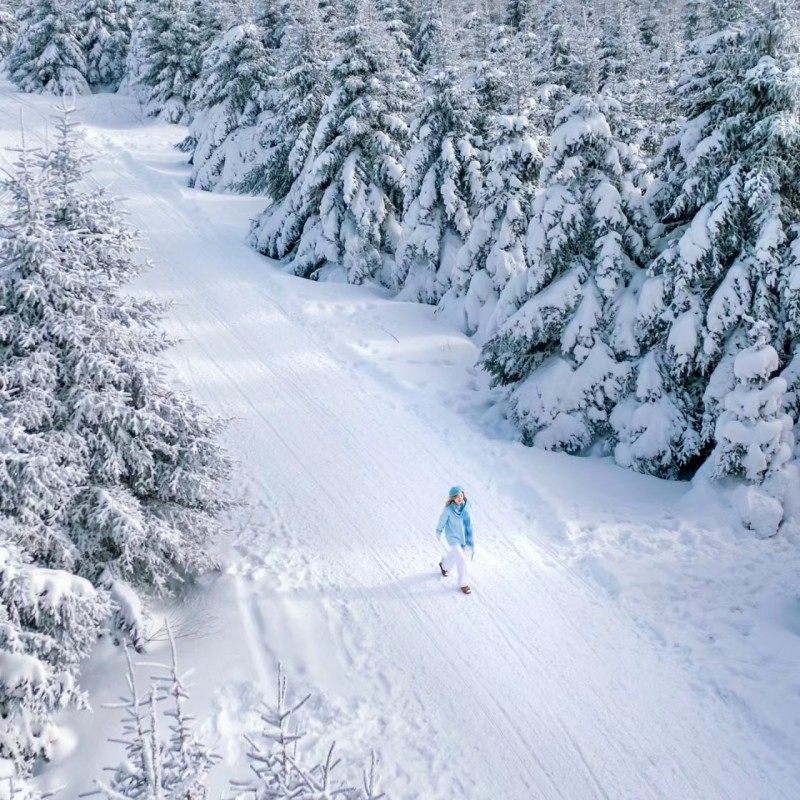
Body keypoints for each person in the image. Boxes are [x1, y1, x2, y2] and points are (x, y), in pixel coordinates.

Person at [436, 486, 474, 595]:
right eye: (457, 497)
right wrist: (438, 531)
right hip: (452, 537)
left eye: (461, 496)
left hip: (463, 536)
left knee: (455, 555)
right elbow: (441, 521)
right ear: (453, 498)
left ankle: (444, 566)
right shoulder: (448, 510)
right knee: (461, 559)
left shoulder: (466, 506)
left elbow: (469, 521)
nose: (460, 498)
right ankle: (463, 583)